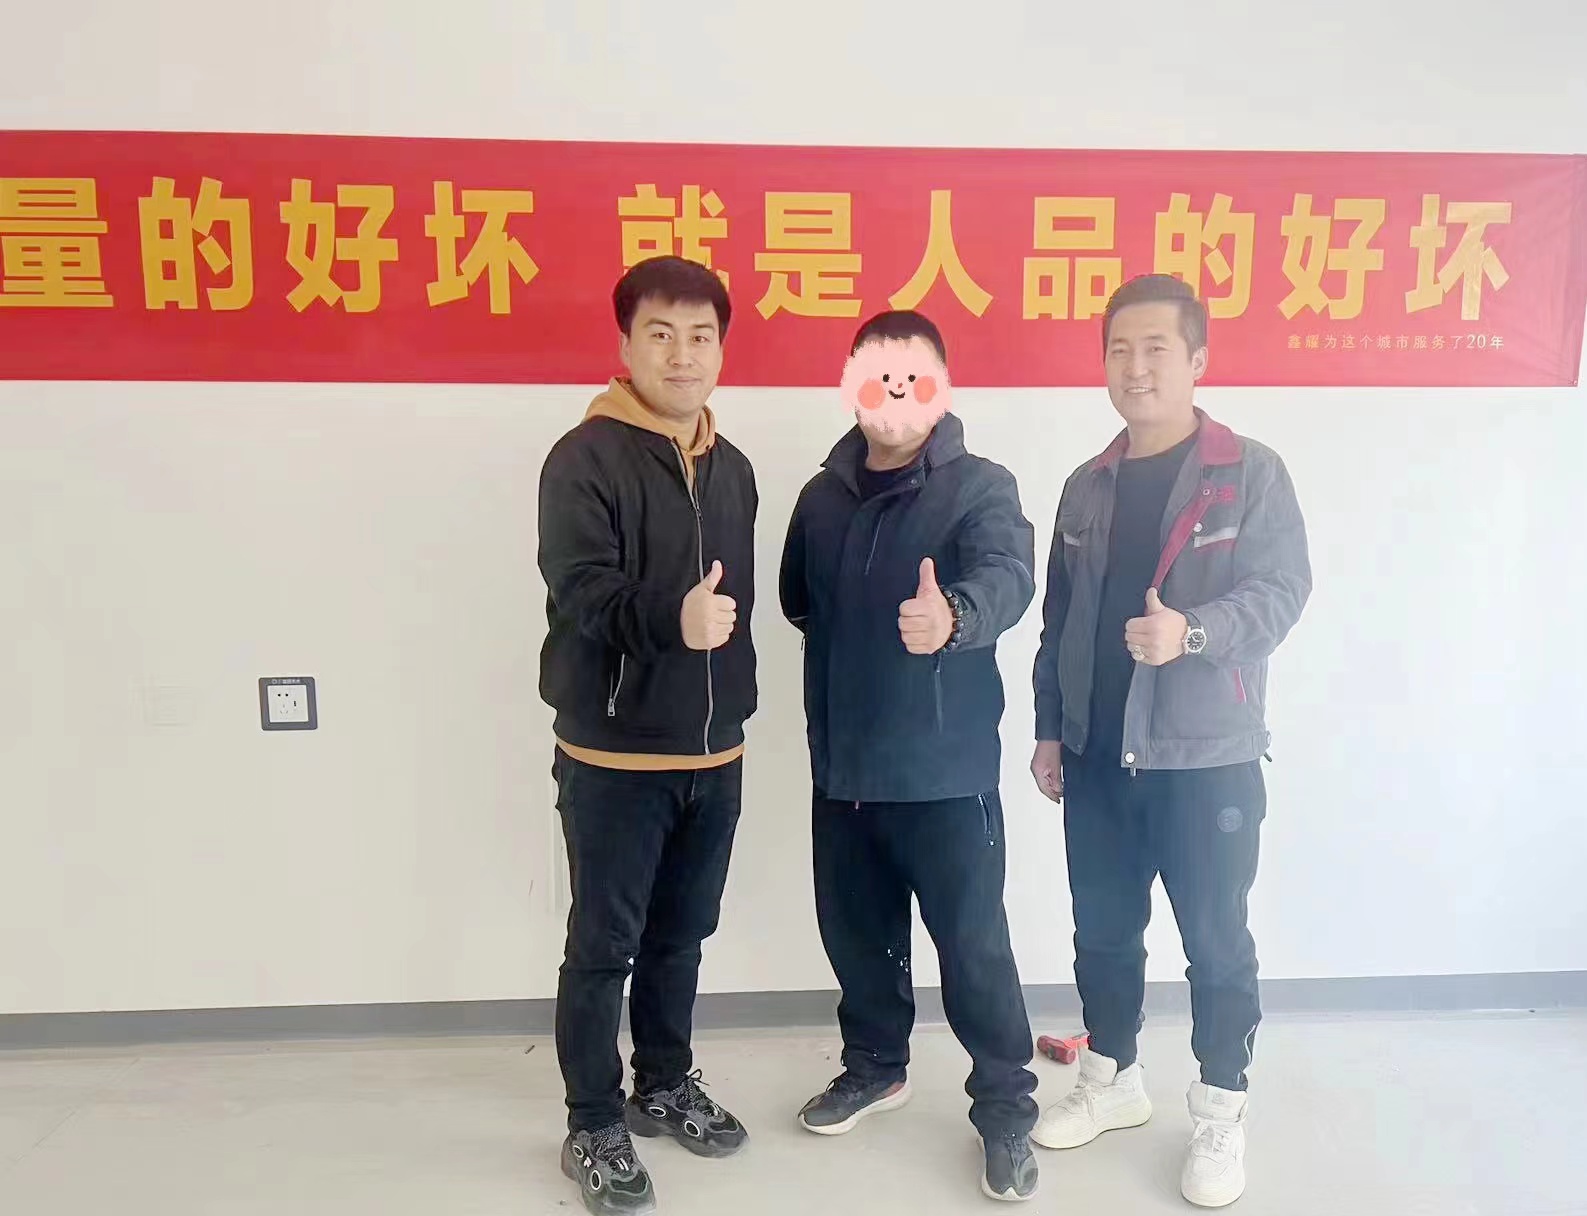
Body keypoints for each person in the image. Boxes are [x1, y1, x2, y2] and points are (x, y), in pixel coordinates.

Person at [1029, 274, 1312, 1208]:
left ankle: (1221, 1110)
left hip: (1206, 760)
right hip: (1097, 756)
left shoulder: (1249, 472)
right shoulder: (1086, 485)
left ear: (1196, 360)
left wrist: (1190, 633)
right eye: (1119, 349)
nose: (1135, 366)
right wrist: (1049, 731)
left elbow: (1280, 593)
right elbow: (1058, 623)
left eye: (1155, 348)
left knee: (1215, 943)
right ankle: (1111, 1078)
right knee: (1103, 934)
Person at [781, 309, 1042, 1203]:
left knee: (972, 949)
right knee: (857, 937)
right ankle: (874, 1065)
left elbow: (1007, 578)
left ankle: (1004, 1107)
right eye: (876, 375)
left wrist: (953, 616)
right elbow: (798, 601)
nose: (892, 394)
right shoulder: (820, 497)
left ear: (939, 387)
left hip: (944, 773)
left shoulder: (979, 487)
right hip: (843, 768)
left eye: (912, 376)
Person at [538, 256, 758, 1216]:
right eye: (660, 334)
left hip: (715, 754)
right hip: (615, 758)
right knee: (603, 946)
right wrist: (673, 619)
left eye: (700, 336)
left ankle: (662, 1081)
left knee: (682, 936)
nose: (682, 354)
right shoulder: (582, 458)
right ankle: (592, 1121)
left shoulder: (733, 466)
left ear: (720, 350)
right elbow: (581, 590)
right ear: (626, 344)